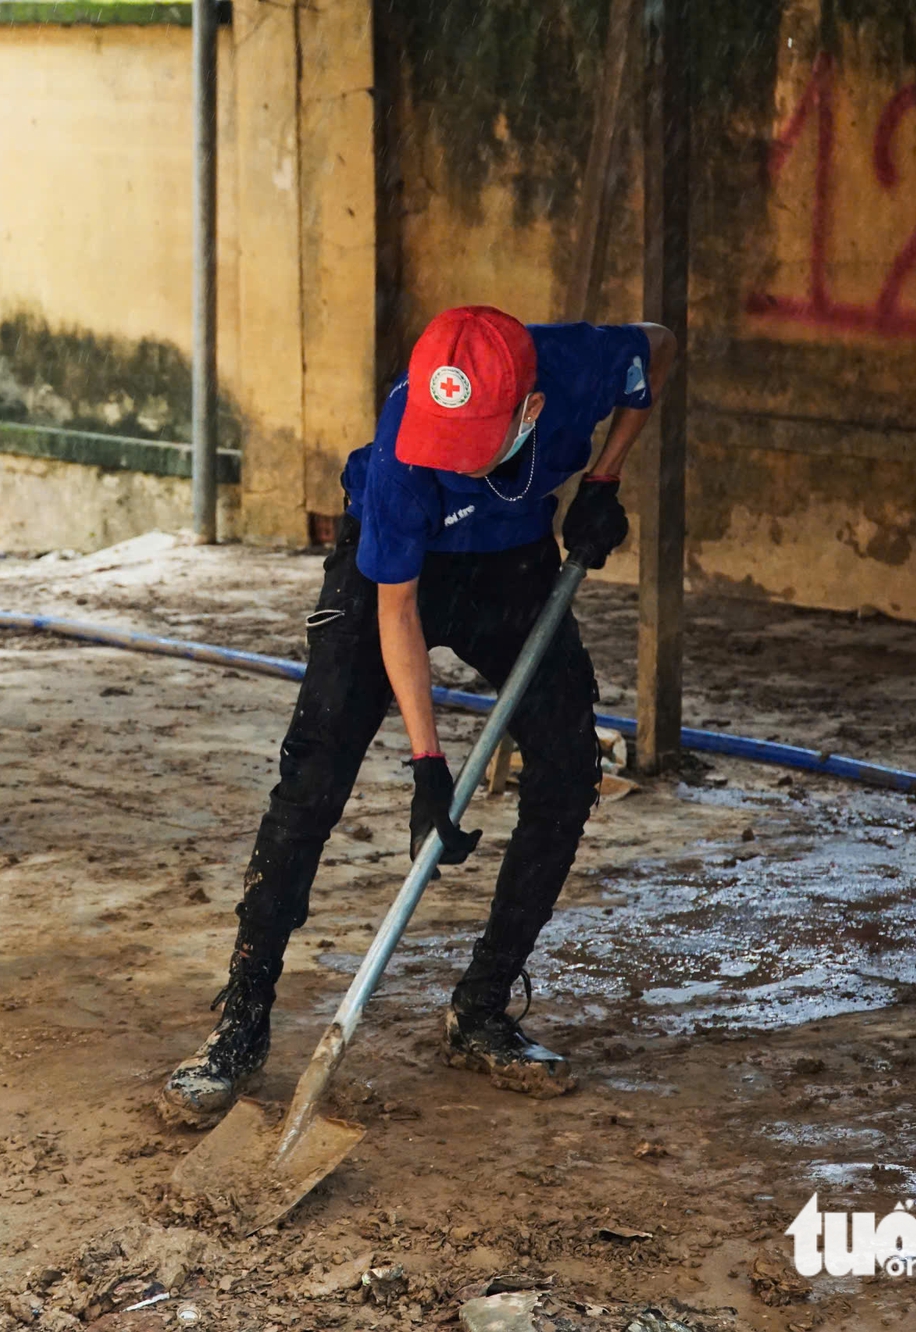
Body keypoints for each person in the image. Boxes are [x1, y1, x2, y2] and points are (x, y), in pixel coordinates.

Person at [159, 305, 675, 1123]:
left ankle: (481, 1008)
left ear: (529, 411)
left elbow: (657, 354)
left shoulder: (576, 366)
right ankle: (241, 1023)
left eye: (470, 449)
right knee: (314, 775)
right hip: (394, 573)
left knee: (569, 765)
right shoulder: (405, 443)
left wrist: (604, 478)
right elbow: (397, 612)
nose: (455, 464)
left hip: (511, 568)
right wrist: (428, 766)